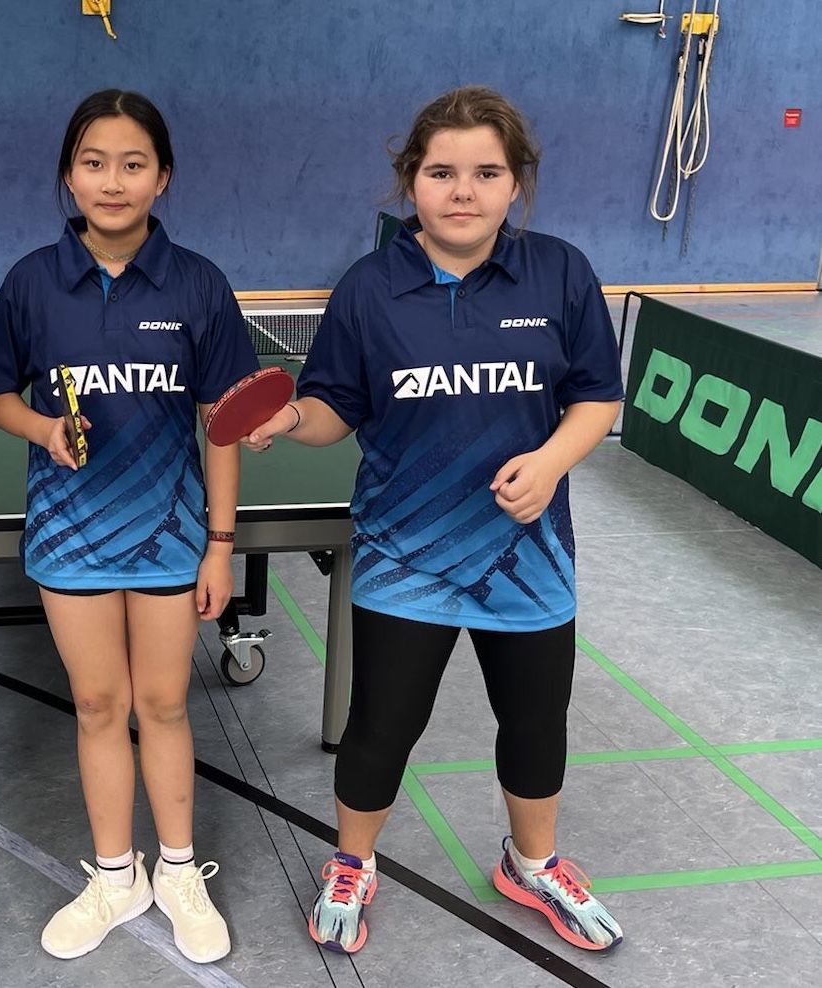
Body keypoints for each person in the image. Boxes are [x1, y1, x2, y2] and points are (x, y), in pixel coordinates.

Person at [246, 86, 625, 954]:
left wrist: (550, 462)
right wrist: (289, 417)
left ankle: (530, 865)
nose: (462, 191)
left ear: (514, 183)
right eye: (441, 172)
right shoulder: (370, 288)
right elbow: (334, 407)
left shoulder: (559, 272)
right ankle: (352, 861)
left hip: (526, 555)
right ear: (409, 181)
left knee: (534, 722)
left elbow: (595, 396)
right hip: (403, 556)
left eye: (485, 173)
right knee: (381, 725)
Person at [0, 89, 257, 964]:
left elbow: (222, 424)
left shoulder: (198, 284)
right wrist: (41, 429)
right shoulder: (32, 282)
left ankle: (178, 871)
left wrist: (220, 544)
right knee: (98, 704)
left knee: (165, 703)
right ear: (69, 174)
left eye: (133, 164)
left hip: (169, 534)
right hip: (70, 534)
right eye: (93, 163)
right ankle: (113, 876)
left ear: (161, 177)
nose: (112, 180)